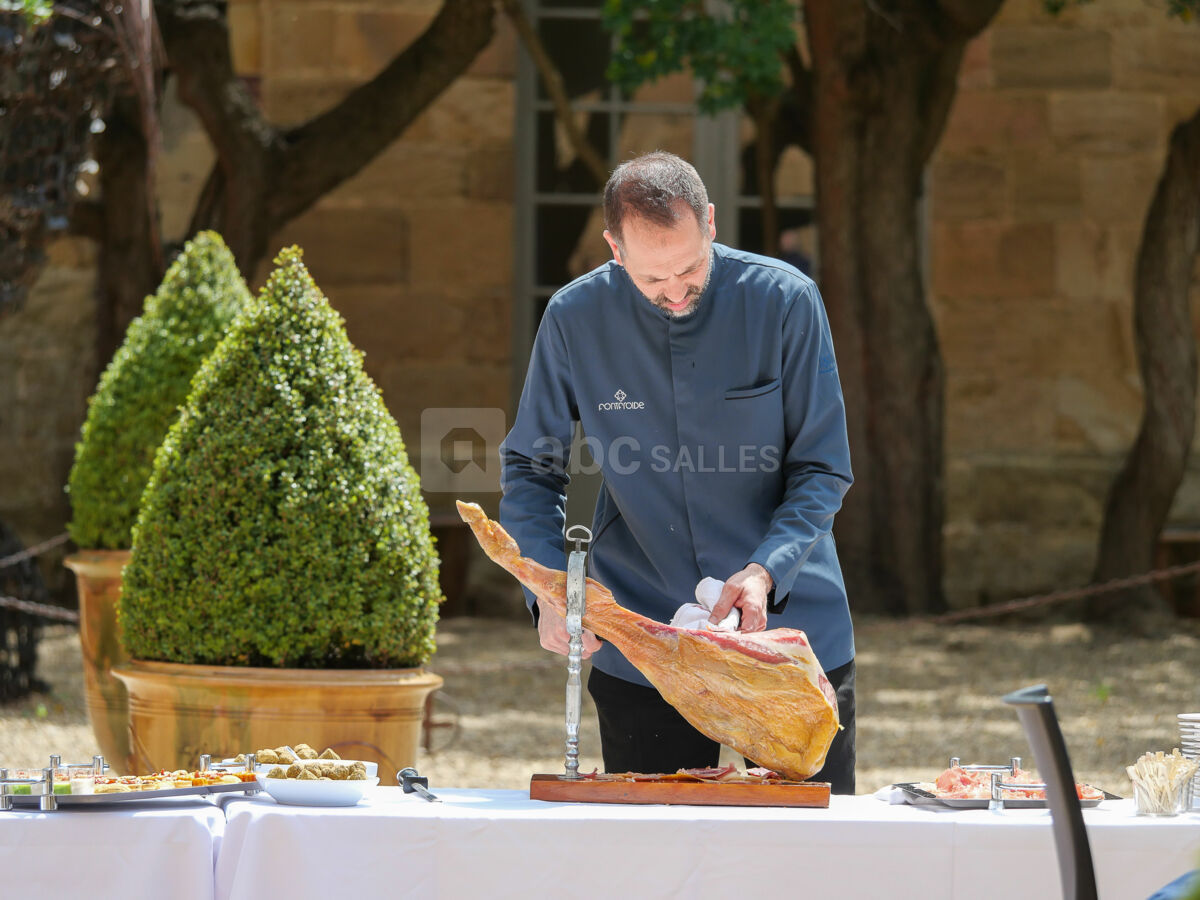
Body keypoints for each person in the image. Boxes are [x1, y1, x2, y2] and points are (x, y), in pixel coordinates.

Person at [499, 151, 856, 793]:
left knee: (808, 848)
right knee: (657, 848)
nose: (674, 291)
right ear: (614, 249)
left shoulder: (786, 301)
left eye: (690, 268)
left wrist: (766, 569)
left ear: (711, 223)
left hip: (790, 624)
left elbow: (821, 466)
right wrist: (552, 589)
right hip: (644, 634)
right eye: (651, 278)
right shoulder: (573, 317)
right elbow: (531, 466)